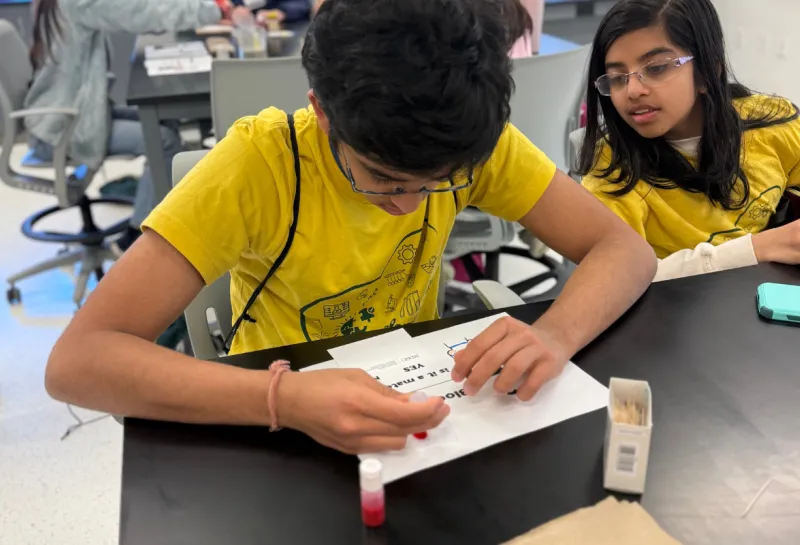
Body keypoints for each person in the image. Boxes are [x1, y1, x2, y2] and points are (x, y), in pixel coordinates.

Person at [45, 0, 656, 455]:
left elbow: (622, 249)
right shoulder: (259, 167)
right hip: (279, 420)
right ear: (320, 110)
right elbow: (79, 361)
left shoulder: (469, 139)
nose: (412, 207)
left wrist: (553, 336)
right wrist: (279, 399)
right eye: (384, 180)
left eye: (439, 183)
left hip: (412, 394)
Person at [576, 0, 800, 281]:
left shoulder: (773, 122)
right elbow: (613, 281)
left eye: (656, 68)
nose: (632, 90)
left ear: (707, 71)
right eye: (617, 78)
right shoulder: (613, 168)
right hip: (671, 314)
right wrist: (757, 249)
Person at [24, 0, 238, 252]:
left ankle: (179, 216)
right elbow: (140, 12)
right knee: (162, 141)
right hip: (64, 126)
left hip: (74, 112)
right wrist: (216, 9)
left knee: (166, 122)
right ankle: (135, 239)